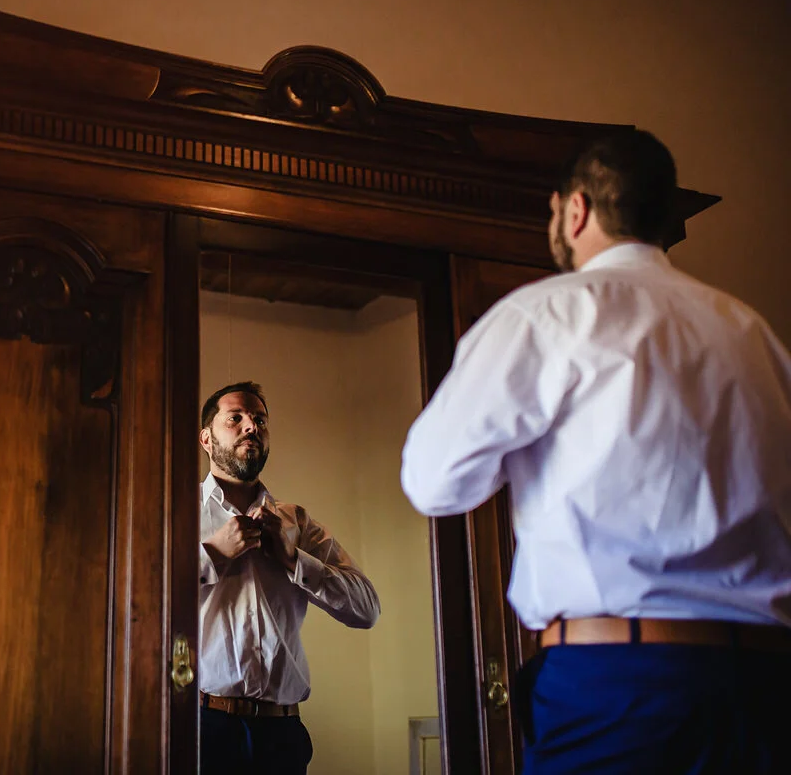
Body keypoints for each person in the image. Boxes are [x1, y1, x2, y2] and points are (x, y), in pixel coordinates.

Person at [400, 128, 791, 773]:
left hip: (617, 685)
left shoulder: (545, 316)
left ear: (575, 209)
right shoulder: (750, 331)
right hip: (765, 684)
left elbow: (435, 481)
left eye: (555, 211)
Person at [197, 381, 380, 775]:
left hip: (282, 735)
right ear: (207, 439)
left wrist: (295, 559)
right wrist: (212, 554)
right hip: (203, 728)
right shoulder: (180, 513)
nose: (252, 427)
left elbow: (367, 608)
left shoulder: (295, 522)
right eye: (236, 418)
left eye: (260, 420)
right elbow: (142, 603)